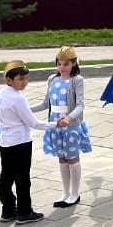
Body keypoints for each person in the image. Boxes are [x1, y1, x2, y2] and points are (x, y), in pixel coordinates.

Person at [0, 60, 58, 225]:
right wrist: (55, 124)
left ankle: (8, 210)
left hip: (5, 143)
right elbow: (33, 123)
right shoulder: (18, 99)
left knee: (6, 177)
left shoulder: (1, 95)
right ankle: (24, 212)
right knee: (23, 178)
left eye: (26, 78)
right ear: (9, 80)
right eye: (21, 79)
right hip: (20, 143)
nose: (25, 82)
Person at [37, 45, 90, 208]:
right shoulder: (52, 79)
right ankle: (65, 192)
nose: (62, 67)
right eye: (59, 64)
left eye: (65, 64)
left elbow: (80, 105)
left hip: (70, 126)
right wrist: (26, 109)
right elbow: (46, 103)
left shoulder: (77, 80)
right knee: (61, 158)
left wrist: (69, 118)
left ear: (73, 63)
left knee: (72, 157)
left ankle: (75, 193)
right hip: (55, 125)